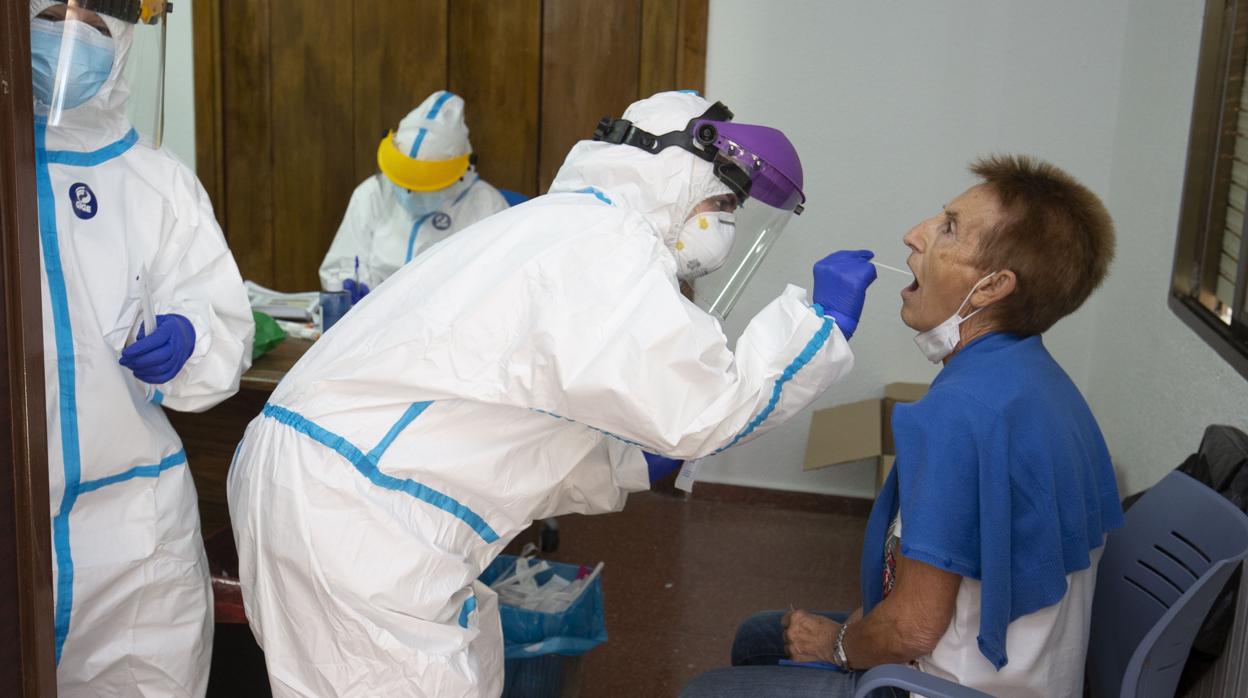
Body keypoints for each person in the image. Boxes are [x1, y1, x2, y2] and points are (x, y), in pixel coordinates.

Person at [227, 91, 878, 697]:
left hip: (330, 484)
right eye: (723, 206)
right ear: (681, 174)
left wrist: (623, 466)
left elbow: (518, 411)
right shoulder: (610, 248)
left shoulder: (561, 225)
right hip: (361, 515)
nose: (725, 228)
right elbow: (708, 413)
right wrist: (818, 328)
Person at [682, 155, 1124, 698]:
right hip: (1031, 676)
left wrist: (837, 644)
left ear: (990, 288)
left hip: (949, 688)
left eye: (948, 229)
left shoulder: (960, 412)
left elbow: (910, 630)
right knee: (759, 636)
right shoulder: (1040, 381)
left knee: (705, 691)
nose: (913, 236)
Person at [29, 1, 254, 694]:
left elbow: (222, 331)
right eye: (45, 15)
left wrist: (189, 339)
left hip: (137, 532)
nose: (68, 36)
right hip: (18, 526)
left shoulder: (157, 183)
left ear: (125, 40)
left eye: (95, 23)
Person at [319, 90, 510, 302]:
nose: (410, 193)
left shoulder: (487, 207)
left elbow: (496, 287)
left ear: (457, 175)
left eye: (424, 184)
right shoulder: (374, 193)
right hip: (374, 322)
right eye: (402, 180)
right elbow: (340, 266)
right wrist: (353, 289)